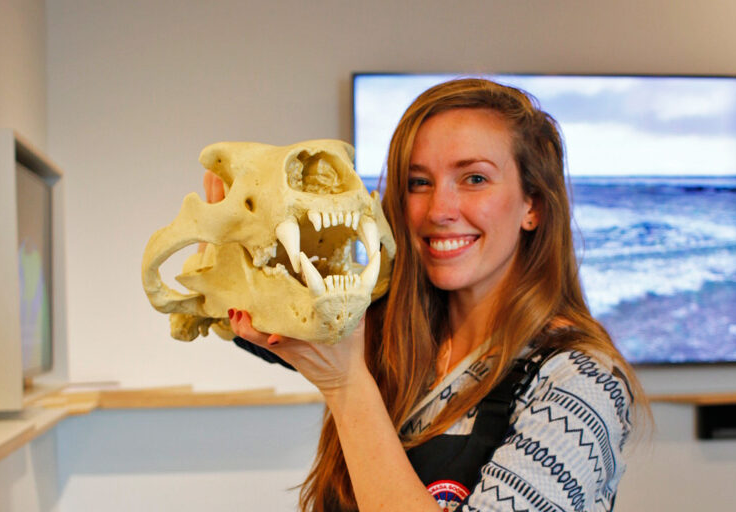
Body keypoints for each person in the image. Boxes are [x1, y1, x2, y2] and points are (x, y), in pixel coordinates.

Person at [214, 78, 647, 512]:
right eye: (418, 182)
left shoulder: (578, 382)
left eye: (474, 178)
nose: (439, 210)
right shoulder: (395, 335)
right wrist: (228, 234)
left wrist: (348, 389)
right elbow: (250, 316)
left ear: (532, 205)